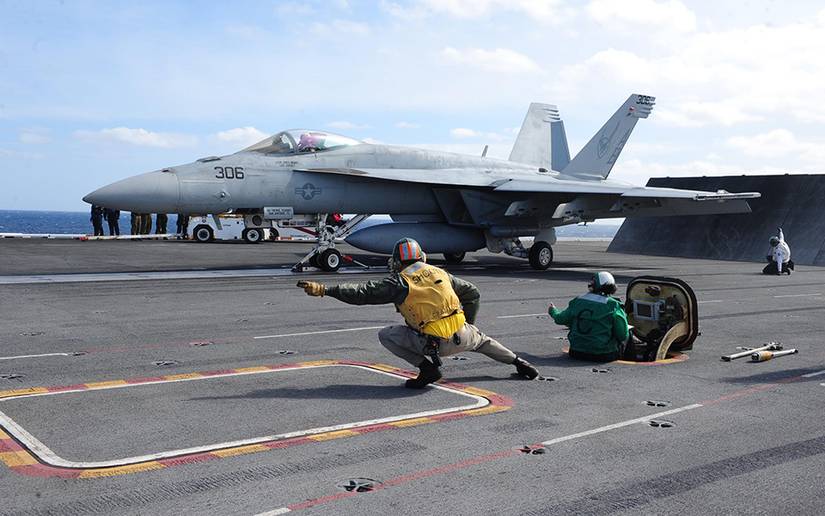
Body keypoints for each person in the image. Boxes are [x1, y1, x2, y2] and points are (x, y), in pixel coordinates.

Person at [297, 238, 539, 388]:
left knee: (387, 334)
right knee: (483, 341)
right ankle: (520, 362)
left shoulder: (401, 281)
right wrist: (468, 325)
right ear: (420, 256)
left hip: (433, 345)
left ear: (397, 261)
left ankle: (427, 369)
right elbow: (473, 293)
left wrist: (324, 289)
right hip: (463, 335)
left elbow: (363, 293)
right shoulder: (440, 272)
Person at [548, 271, 630, 362]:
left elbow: (561, 319)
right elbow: (622, 335)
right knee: (628, 333)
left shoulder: (578, 300)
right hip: (604, 354)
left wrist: (553, 310)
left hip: (576, 352)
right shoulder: (613, 305)